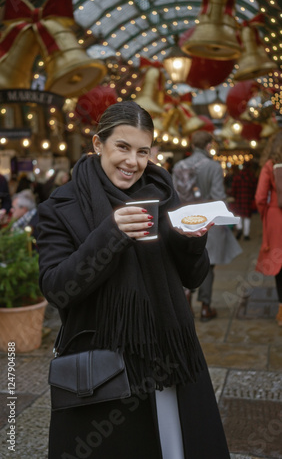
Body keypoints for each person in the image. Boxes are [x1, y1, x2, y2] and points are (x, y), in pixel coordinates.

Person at [37, 101, 230, 459]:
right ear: (98, 144)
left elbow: (193, 276)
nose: (133, 162)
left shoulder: (166, 197)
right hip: (105, 370)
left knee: (178, 447)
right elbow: (57, 289)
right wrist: (110, 234)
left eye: (143, 151)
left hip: (172, 358)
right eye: (122, 147)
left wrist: (192, 241)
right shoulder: (59, 208)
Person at [173, 130, 242, 321]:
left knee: (187, 261)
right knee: (208, 264)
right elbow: (219, 196)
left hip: (184, 222)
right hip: (208, 223)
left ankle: (186, 295)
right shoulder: (213, 166)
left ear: (192, 145)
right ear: (208, 146)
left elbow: (174, 195)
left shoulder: (179, 165)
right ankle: (205, 307)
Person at [255, 131, 282, 327]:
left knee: (279, 262)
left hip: (277, 217)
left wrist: (266, 215)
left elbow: (260, 197)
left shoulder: (270, 165)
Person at [231, 161, 257, 240]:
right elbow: (254, 189)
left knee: (238, 214)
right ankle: (246, 234)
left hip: (239, 198)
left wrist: (234, 196)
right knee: (247, 217)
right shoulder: (252, 176)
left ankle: (239, 228)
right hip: (248, 199)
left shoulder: (238, 176)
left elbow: (234, 188)